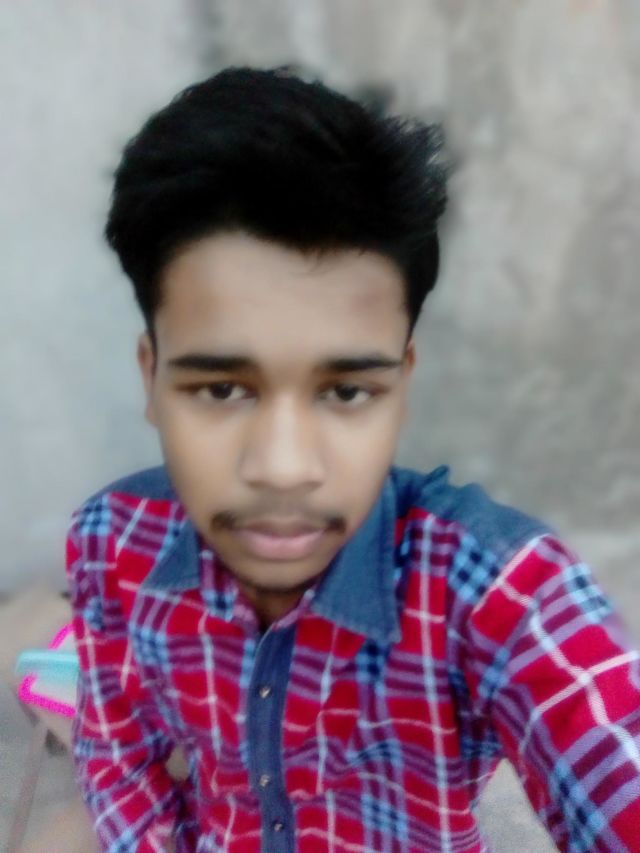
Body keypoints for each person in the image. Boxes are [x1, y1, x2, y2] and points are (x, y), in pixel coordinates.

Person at [67, 66, 640, 852]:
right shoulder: (110, 542)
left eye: (345, 391)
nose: (284, 467)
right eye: (223, 388)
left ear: (401, 386)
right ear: (151, 378)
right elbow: (117, 755)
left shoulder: (493, 591)